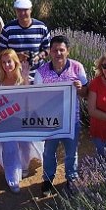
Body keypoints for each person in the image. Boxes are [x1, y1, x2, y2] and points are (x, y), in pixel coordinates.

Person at [34, 35, 88, 196]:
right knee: (49, 152)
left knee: (71, 152)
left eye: (61, 50)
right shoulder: (41, 72)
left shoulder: (77, 67)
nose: (58, 53)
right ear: (50, 52)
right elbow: (36, 97)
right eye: (55, 50)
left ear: (68, 51)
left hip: (71, 120)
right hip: (50, 122)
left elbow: (86, 92)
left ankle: (71, 178)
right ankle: (48, 179)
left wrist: (80, 89)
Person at [0, 49, 39, 193]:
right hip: (5, 121)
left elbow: (30, 99)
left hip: (23, 120)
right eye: (4, 62)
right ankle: (12, 178)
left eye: (9, 61)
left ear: (15, 62)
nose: (7, 65)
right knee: (10, 149)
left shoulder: (23, 78)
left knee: (26, 146)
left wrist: (25, 78)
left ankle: (24, 167)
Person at [0, 0, 51, 76]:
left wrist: (38, 57)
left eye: (25, 10)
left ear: (31, 10)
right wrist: (16, 56)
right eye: (19, 10)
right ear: (15, 11)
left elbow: (47, 48)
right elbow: (1, 50)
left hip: (38, 74)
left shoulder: (41, 27)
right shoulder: (8, 29)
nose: (22, 13)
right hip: (14, 74)